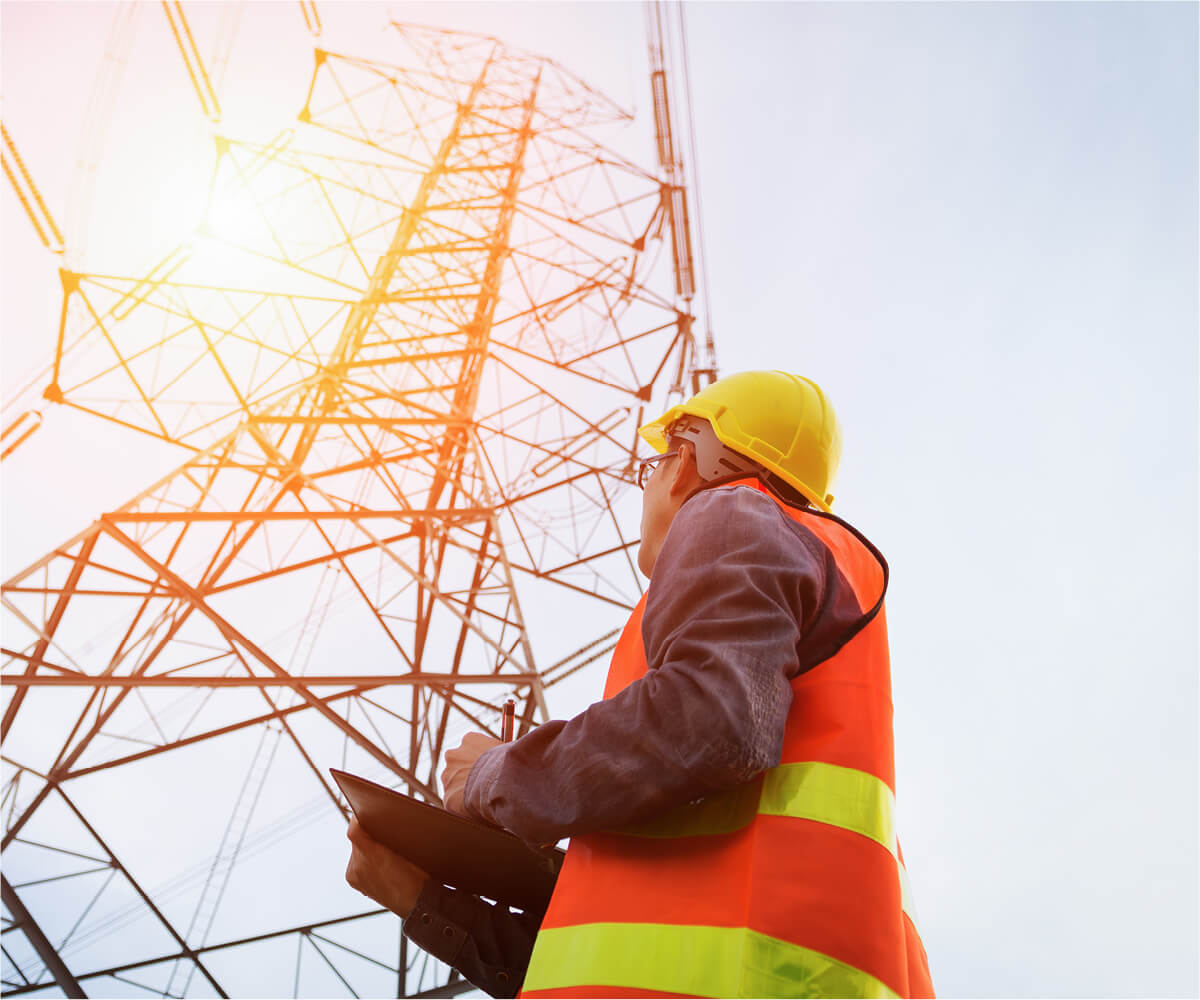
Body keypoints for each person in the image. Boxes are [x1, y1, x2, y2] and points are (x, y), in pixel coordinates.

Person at [345, 370, 935, 998]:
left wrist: (493, 776)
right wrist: (419, 901)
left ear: (683, 461)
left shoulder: (733, 510)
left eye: (649, 467)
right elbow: (594, 961)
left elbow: (710, 724)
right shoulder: (784, 599)